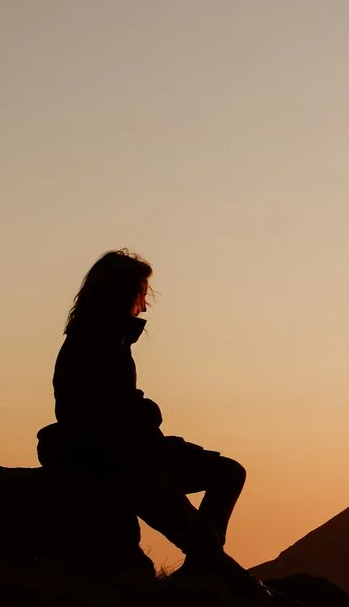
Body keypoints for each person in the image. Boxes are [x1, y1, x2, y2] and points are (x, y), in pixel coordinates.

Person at [40, 249, 253, 586]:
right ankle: (204, 569)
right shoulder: (98, 342)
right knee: (227, 475)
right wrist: (150, 417)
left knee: (211, 508)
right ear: (122, 294)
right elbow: (110, 410)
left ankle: (205, 563)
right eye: (141, 293)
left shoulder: (94, 338)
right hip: (122, 463)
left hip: (123, 456)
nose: (145, 304)